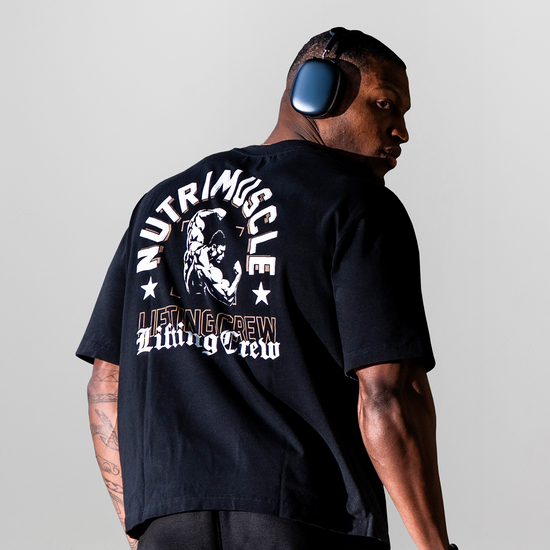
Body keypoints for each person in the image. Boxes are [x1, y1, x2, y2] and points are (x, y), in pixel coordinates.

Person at [78, 28, 457, 550]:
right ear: (316, 92)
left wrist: (141, 528)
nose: (402, 132)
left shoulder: (158, 206)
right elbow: (389, 394)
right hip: (310, 522)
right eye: (385, 104)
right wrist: (435, 546)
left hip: (169, 526)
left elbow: (106, 383)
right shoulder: (358, 206)